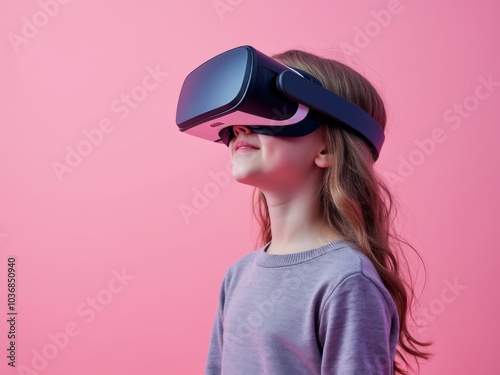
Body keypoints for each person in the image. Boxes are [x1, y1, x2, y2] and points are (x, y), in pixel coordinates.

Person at [204, 49, 431, 374]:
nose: (240, 128)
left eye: (267, 110)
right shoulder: (237, 276)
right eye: (238, 119)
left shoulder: (346, 280)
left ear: (326, 148)